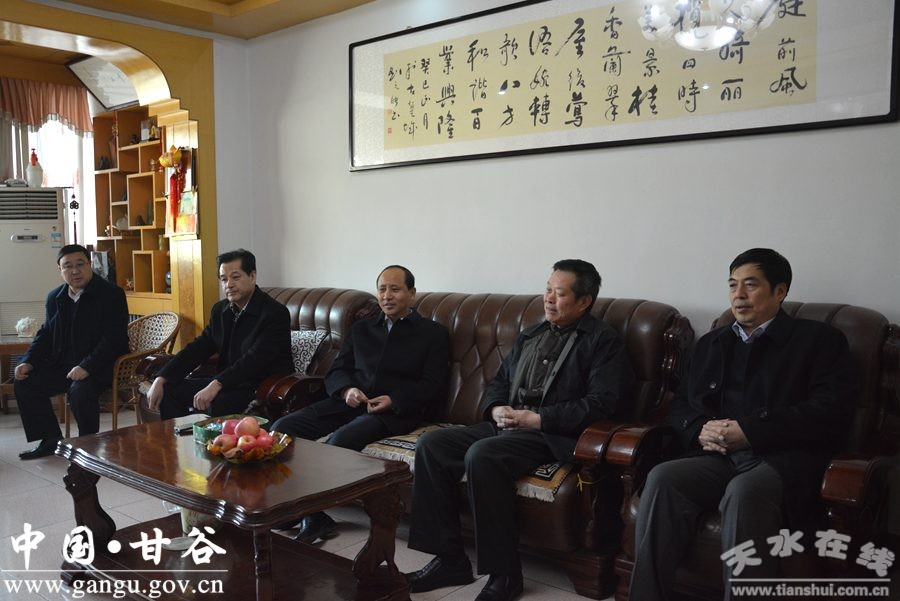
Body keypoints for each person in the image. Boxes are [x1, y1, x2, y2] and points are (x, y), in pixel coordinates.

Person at [628, 248, 856, 601]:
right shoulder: (712, 343)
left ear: (780, 291)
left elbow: (828, 411)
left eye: (751, 285)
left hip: (781, 459)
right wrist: (699, 428)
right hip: (717, 456)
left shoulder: (819, 340)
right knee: (662, 478)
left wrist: (751, 431)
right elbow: (682, 404)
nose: (739, 295)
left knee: (745, 491)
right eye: (733, 285)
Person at [405, 259, 634, 601]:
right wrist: (496, 408)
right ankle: (449, 559)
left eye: (560, 294)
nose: (549, 299)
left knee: (483, 455)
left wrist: (538, 419)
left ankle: (505, 575)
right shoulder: (531, 334)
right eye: (547, 290)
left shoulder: (602, 341)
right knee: (432, 444)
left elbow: (602, 403)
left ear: (584, 301)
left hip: (552, 435)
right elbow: (499, 382)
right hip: (508, 426)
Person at [271, 264, 451, 543]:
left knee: (341, 441)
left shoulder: (433, 334)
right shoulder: (362, 329)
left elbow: (432, 385)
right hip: (349, 402)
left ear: (412, 294)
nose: (387, 296)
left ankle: (311, 513)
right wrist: (347, 390)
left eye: (395, 289)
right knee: (283, 428)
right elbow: (337, 371)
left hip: (394, 411)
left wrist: (394, 399)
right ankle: (301, 510)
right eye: (382, 289)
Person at [146, 248, 292, 419]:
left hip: (261, 387)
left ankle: (207, 437)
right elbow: (198, 348)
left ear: (252, 276)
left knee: (218, 402)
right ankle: (179, 436)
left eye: (235, 277)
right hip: (227, 383)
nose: (229, 284)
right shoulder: (221, 310)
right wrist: (162, 377)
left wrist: (216, 384)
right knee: (168, 390)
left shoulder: (275, 313)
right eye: (224, 279)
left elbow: (255, 360)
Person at [15, 244, 129, 459]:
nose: (75, 271)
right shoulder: (55, 297)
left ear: (90, 265)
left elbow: (114, 339)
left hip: (102, 366)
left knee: (80, 391)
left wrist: (87, 366)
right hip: (64, 365)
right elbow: (46, 334)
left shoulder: (111, 294)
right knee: (25, 383)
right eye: (68, 266)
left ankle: (88, 445)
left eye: (80, 264)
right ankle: (50, 440)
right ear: (60, 270)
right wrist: (28, 360)